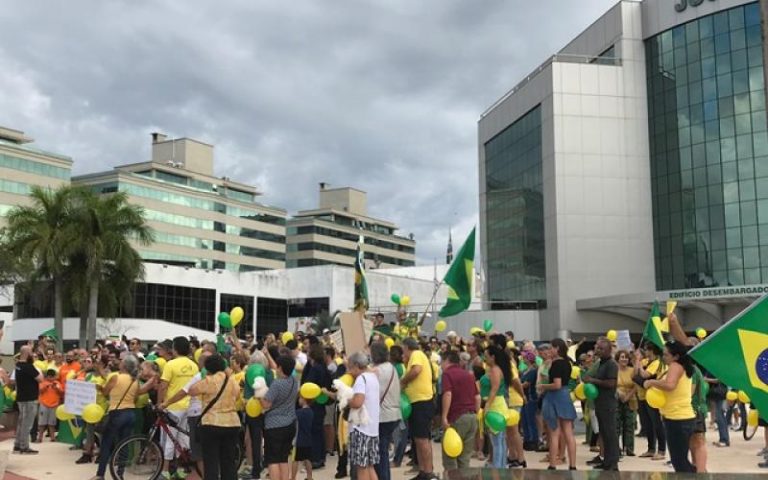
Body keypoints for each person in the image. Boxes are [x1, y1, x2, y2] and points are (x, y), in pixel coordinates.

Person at [91, 354, 152, 480]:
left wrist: (99, 387)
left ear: (124, 365)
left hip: (117, 413)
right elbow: (135, 397)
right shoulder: (134, 380)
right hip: (131, 413)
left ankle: (100, 474)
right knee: (124, 443)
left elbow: (105, 392)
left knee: (106, 444)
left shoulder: (115, 377)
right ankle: (120, 473)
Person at [643, 341, 697, 473]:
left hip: (677, 418)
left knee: (679, 461)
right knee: (681, 459)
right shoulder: (683, 367)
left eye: (666, 355)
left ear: (676, 356)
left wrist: (651, 382)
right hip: (684, 417)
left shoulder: (675, 366)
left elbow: (670, 385)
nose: (663, 357)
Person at [188, 353, 241, 480]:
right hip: (232, 424)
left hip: (211, 423)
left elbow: (192, 390)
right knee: (229, 461)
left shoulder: (208, 380)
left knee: (211, 461)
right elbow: (238, 395)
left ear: (208, 368)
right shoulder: (232, 380)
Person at [157, 336, 200, 479]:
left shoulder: (170, 364)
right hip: (189, 406)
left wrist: (160, 404)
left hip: (173, 406)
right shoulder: (194, 365)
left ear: (174, 349)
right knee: (182, 439)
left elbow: (163, 386)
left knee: (169, 438)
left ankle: (165, 471)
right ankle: (180, 469)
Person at [400, 338, 437, 480]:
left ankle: (428, 471)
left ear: (407, 347)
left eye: (403, 349)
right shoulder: (411, 359)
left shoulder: (416, 354)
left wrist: (403, 381)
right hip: (416, 402)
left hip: (422, 401)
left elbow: (416, 370)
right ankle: (423, 470)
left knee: (422, 439)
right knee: (417, 439)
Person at [538, 338, 577, 471]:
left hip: (555, 398)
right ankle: (572, 465)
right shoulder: (567, 363)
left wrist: (543, 386)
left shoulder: (556, 364)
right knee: (568, 433)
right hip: (565, 396)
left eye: (551, 348)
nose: (549, 351)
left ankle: (553, 463)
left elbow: (556, 384)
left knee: (554, 433)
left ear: (557, 349)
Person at [260, 355, 299, 480]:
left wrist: (259, 395)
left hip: (274, 425)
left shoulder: (277, 384)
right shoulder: (294, 380)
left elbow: (266, 404)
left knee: (273, 460)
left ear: (280, 368)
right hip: (290, 424)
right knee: (283, 458)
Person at [440, 350, 479, 470]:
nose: (440, 364)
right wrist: (476, 413)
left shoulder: (447, 374)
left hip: (456, 417)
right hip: (472, 417)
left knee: (450, 456)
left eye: (441, 361)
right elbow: (477, 396)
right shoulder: (468, 374)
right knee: (464, 458)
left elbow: (447, 394)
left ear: (447, 360)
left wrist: (444, 416)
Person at [584, 338, 619, 471]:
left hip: (608, 403)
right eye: (597, 348)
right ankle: (607, 461)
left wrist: (593, 380)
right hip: (599, 402)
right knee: (603, 433)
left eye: (601, 349)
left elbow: (611, 383)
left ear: (609, 350)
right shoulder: (600, 363)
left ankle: (613, 463)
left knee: (610, 433)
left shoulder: (611, 364)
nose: (598, 350)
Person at [371, 342, 401, 480]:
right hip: (394, 413)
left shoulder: (376, 371)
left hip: (382, 415)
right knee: (382, 450)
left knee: (379, 452)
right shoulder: (392, 368)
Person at [347, 351, 380, 480]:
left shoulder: (362, 379)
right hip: (372, 429)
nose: (349, 371)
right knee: (370, 465)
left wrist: (348, 399)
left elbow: (357, 402)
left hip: (360, 429)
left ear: (356, 365)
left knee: (361, 467)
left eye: (350, 367)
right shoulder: (373, 377)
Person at [634, 344, 667, 461]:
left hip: (653, 396)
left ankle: (662, 450)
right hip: (642, 396)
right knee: (647, 424)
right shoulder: (646, 361)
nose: (645, 351)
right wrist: (638, 361)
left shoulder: (657, 363)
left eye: (647, 349)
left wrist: (638, 363)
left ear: (651, 350)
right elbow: (635, 372)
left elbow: (644, 374)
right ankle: (651, 449)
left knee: (656, 423)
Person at [301, 343, 331, 469]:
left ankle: (315, 458)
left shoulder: (315, 369)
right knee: (318, 431)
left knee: (314, 432)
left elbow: (307, 383)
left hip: (314, 404)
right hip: (320, 403)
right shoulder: (323, 367)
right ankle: (320, 457)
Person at [482, 344, 510, 469]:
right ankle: (502, 466)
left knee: (497, 441)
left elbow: (494, 388)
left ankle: (498, 468)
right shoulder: (497, 369)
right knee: (500, 439)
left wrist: (487, 405)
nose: (485, 358)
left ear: (493, 357)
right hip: (499, 403)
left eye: (486, 356)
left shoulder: (495, 370)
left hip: (495, 404)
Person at [14, 344, 42, 455]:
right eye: (31, 352)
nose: (33, 355)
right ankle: (24, 446)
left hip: (21, 397)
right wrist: (37, 368)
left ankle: (17, 444)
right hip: (29, 398)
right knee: (27, 423)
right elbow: (40, 379)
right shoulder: (29, 367)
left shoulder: (18, 365)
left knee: (21, 422)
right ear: (27, 353)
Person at [615, 350, 638, 457]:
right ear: (617, 359)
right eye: (622, 357)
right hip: (616, 399)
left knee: (630, 424)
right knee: (616, 425)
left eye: (626, 357)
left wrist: (628, 396)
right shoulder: (614, 370)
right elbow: (613, 384)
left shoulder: (632, 370)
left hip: (631, 399)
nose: (624, 359)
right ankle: (616, 448)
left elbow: (636, 385)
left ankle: (629, 448)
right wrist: (619, 393)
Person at [36, 369, 63, 443]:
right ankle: (40, 437)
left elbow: (61, 393)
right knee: (42, 422)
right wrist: (46, 386)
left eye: (52, 377)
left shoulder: (57, 383)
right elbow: (40, 391)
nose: (51, 378)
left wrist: (56, 388)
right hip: (44, 404)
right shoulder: (43, 382)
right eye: (49, 377)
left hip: (54, 404)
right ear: (47, 376)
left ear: (55, 377)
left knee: (52, 423)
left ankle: (52, 437)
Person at [520, 350, 539, 452]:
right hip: (523, 397)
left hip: (531, 397)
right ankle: (527, 440)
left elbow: (526, 384)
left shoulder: (533, 371)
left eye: (525, 358)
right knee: (524, 420)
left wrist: (517, 386)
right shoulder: (524, 371)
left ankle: (534, 440)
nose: (523, 359)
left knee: (531, 420)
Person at [293, 397, 314, 480]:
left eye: (300, 398)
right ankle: (310, 476)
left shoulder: (299, 412)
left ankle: (293, 477)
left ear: (304, 400)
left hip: (299, 440)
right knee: (307, 459)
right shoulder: (311, 412)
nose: (298, 400)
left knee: (295, 459)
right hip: (308, 439)